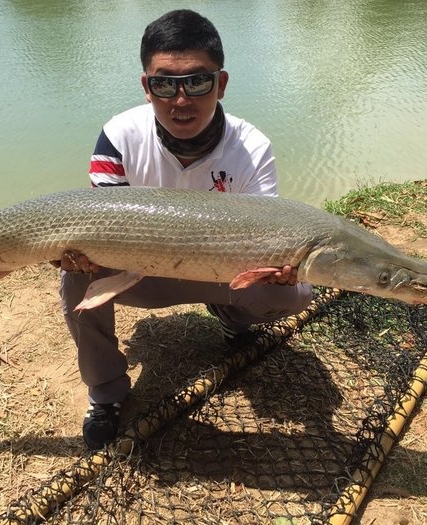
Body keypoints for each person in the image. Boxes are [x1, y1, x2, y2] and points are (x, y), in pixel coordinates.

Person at [58, 9, 313, 451]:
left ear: (222, 83)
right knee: (75, 278)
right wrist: (80, 254)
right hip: (140, 274)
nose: (181, 100)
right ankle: (107, 393)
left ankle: (233, 318)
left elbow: (269, 237)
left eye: (197, 81)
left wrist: (280, 265)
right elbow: (101, 225)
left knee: (290, 293)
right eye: (164, 83)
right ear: (146, 87)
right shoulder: (119, 135)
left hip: (221, 275)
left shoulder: (252, 148)